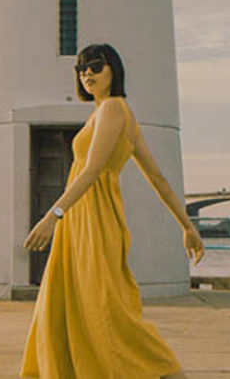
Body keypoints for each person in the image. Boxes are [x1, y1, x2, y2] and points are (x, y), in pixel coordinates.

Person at [20, 42, 205, 379]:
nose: (86, 73)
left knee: (106, 309)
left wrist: (51, 216)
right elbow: (158, 177)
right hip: (82, 217)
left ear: (113, 70)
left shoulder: (114, 109)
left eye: (95, 66)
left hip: (94, 216)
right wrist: (187, 226)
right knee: (72, 306)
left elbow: (92, 170)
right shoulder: (112, 112)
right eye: (81, 68)